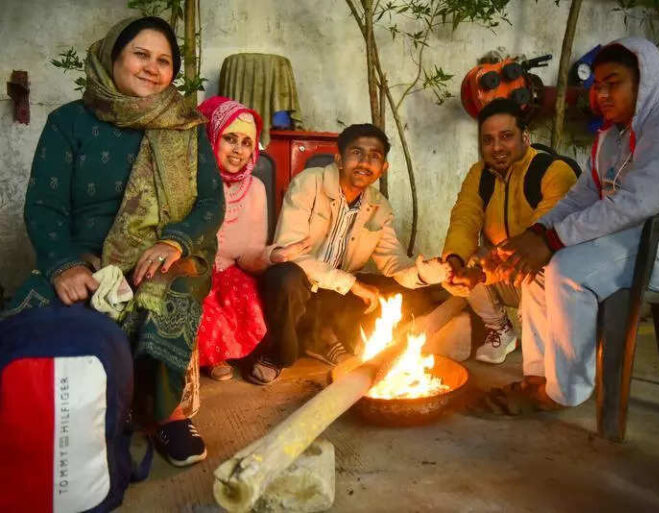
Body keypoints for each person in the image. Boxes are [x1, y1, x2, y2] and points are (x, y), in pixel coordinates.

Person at [482, 37, 659, 414]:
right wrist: (536, 235)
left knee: (567, 270)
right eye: (597, 85)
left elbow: (635, 203)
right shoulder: (614, 133)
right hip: (650, 232)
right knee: (537, 266)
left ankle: (564, 393)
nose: (602, 93)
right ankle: (541, 375)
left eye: (614, 82)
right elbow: (583, 197)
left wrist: (553, 242)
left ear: (645, 81)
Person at [2, 17, 224, 466]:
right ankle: (48, 410)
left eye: (164, 61)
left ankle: (167, 413)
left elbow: (211, 203)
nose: (152, 68)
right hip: (86, 256)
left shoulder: (186, 126)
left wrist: (177, 242)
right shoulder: (69, 122)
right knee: (32, 308)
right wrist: (64, 264)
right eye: (141, 55)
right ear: (113, 57)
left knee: (170, 294)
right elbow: (44, 205)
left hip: (164, 253)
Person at [247, 123, 449, 385]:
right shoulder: (309, 183)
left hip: (335, 296)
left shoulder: (379, 206)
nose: (365, 162)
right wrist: (352, 284)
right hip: (301, 286)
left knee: (401, 292)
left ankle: (320, 336)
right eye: (357, 153)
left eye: (375, 156)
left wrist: (421, 274)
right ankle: (277, 354)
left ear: (383, 168)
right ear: (340, 159)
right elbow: (288, 252)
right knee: (283, 278)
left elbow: (393, 262)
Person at [442, 98, 577, 364]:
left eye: (506, 137)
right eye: (488, 140)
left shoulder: (552, 171)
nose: (497, 147)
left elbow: (536, 243)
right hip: (503, 273)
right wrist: (454, 263)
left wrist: (480, 274)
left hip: (551, 278)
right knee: (466, 258)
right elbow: (464, 218)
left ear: (525, 137)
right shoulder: (480, 174)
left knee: (539, 268)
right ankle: (500, 330)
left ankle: (550, 339)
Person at [195, 96, 308, 381]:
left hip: (230, 270)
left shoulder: (254, 187)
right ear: (211, 138)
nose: (238, 150)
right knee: (195, 295)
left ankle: (242, 354)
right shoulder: (189, 181)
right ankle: (211, 356)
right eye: (230, 139)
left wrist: (274, 256)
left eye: (247, 143)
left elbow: (249, 254)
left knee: (249, 296)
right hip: (192, 267)